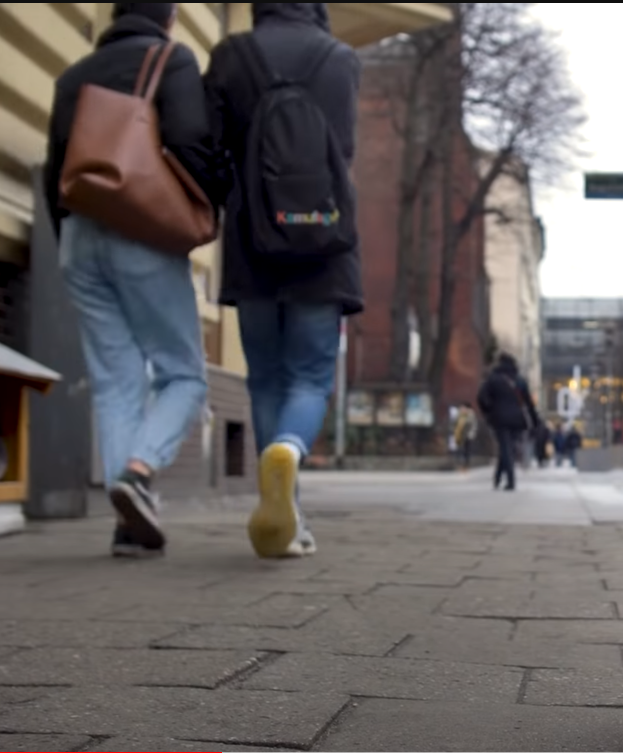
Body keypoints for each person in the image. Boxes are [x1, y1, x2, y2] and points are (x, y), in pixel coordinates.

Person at [44, 2, 224, 558]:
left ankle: (130, 526)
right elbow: (191, 141)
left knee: (116, 381)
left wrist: (68, 235)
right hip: (140, 231)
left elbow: (56, 167)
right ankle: (140, 474)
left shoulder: (74, 75)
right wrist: (205, 206)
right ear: (168, 18)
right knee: (184, 376)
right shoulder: (171, 58)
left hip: (79, 236)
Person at [205, 2, 362, 558]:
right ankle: (290, 453)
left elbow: (210, 144)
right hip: (321, 238)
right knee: (311, 377)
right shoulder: (340, 58)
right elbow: (341, 150)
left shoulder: (230, 54)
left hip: (252, 240)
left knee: (265, 376)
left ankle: (284, 507)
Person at [477, 354, 539, 491]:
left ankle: (510, 480)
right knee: (508, 447)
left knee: (505, 447)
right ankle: (498, 477)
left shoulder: (492, 379)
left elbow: (482, 397)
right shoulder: (519, 380)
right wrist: (535, 422)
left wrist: (489, 411)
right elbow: (529, 403)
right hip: (517, 419)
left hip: (499, 418)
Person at [452, 402, 478, 471]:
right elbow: (455, 424)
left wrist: (471, 434)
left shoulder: (470, 415)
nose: (462, 409)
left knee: (467, 451)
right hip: (459, 436)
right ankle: (459, 465)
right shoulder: (458, 415)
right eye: (461, 407)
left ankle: (466, 465)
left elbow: (473, 426)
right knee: (459, 451)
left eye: (463, 407)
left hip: (468, 436)